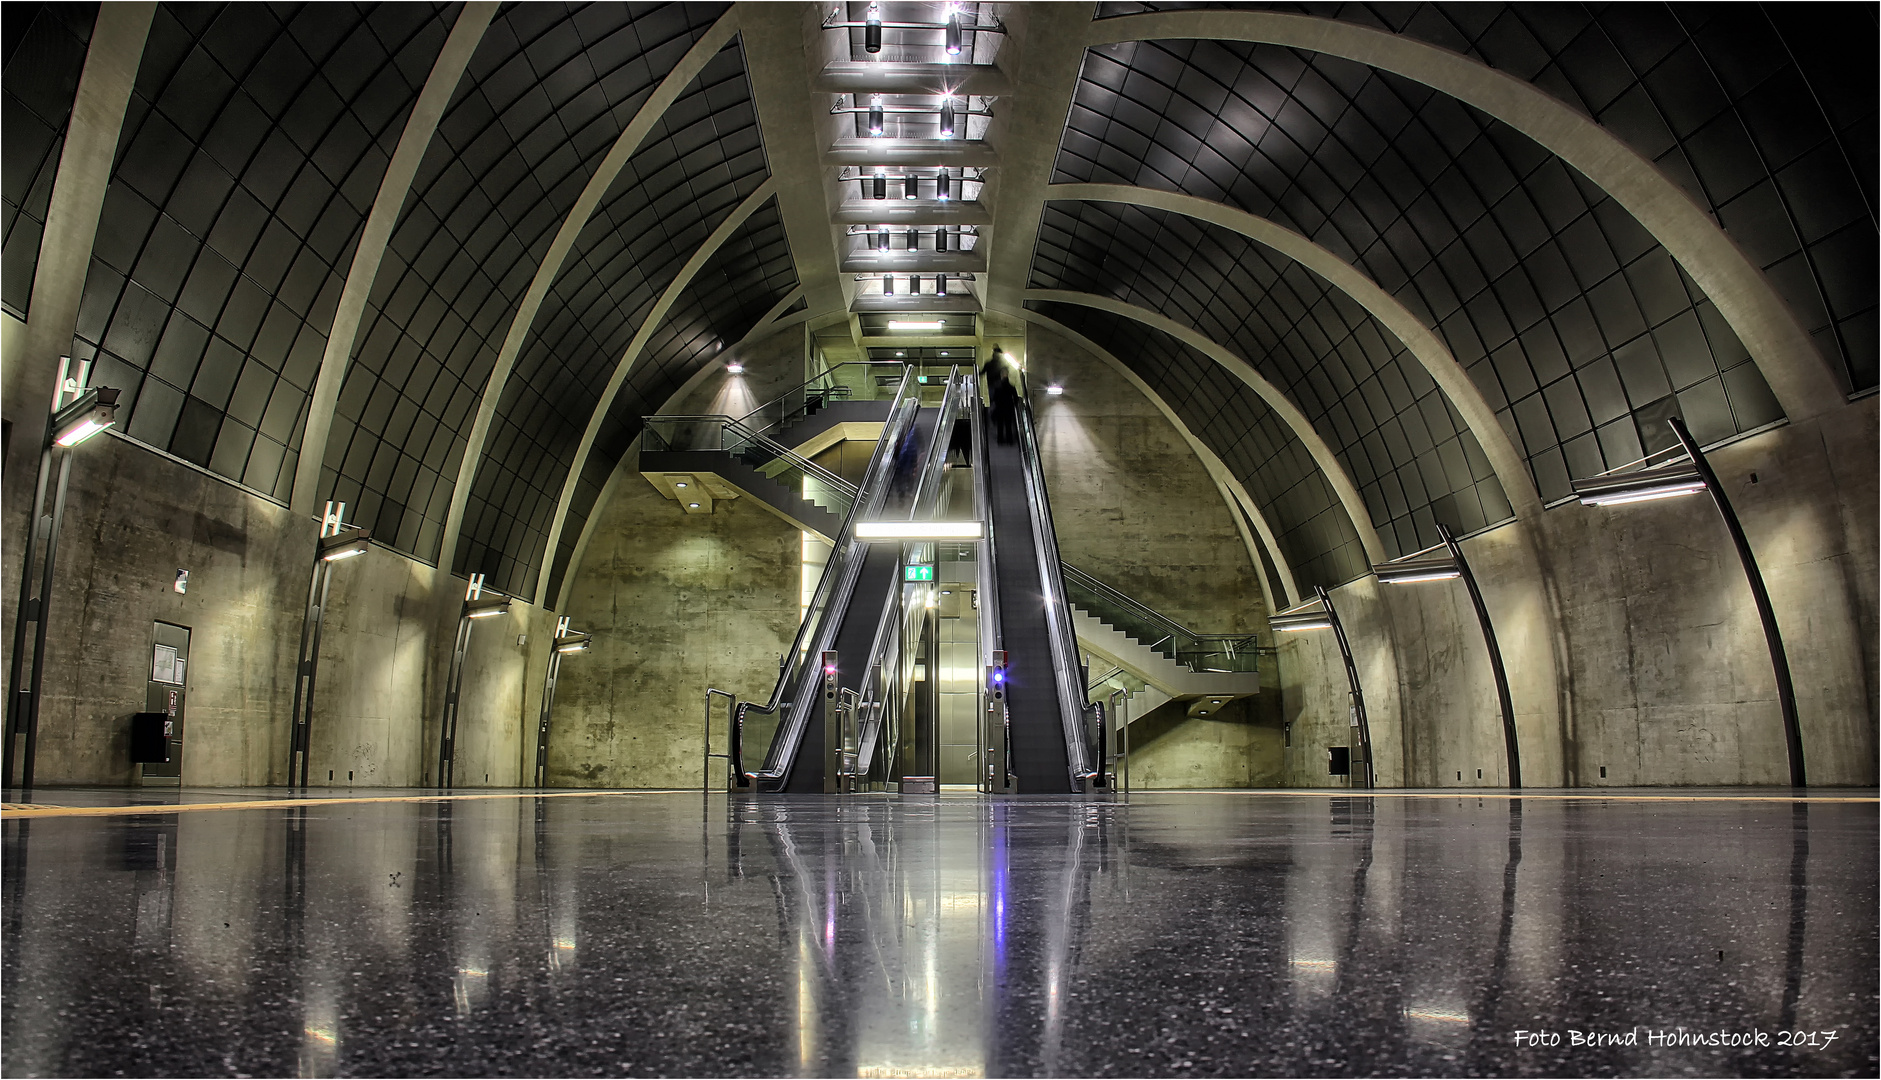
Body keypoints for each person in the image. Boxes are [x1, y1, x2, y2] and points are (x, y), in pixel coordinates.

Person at [985, 347, 1020, 445]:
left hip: (1000, 408)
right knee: (1008, 425)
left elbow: (995, 398)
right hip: (1008, 408)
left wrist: (994, 404)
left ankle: (1000, 440)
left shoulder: (997, 387)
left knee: (1000, 425)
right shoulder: (1011, 387)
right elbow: (1016, 398)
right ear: (1007, 375)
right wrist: (1014, 405)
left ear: (1001, 375)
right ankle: (1009, 440)